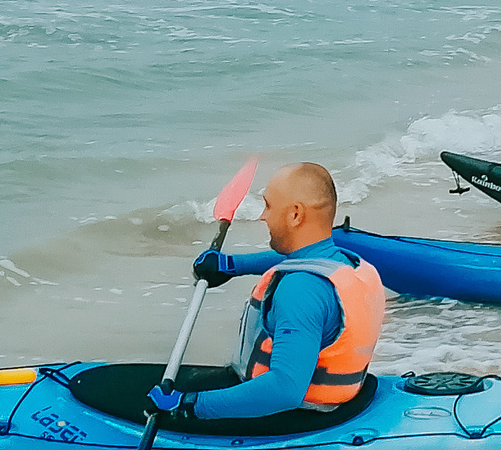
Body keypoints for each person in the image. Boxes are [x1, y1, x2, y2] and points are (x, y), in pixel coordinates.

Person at [146, 161, 388, 423]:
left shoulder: (300, 292)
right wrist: (230, 265)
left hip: (295, 414)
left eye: (268, 206)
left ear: (296, 215)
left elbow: (285, 390)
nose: (263, 216)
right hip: (343, 399)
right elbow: (300, 260)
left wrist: (189, 405)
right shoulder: (349, 265)